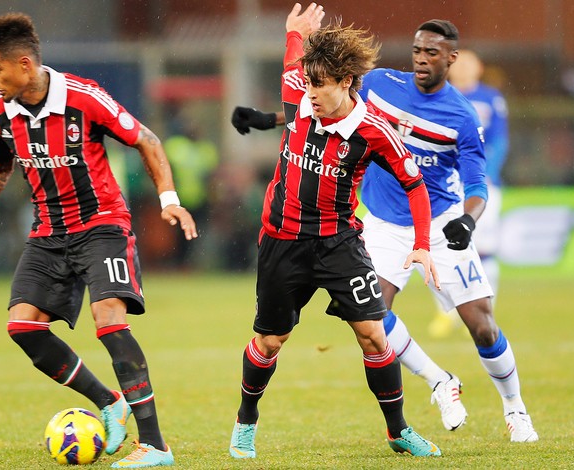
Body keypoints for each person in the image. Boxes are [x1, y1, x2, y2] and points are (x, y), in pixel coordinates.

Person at [231, 19, 538, 444]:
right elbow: (317, 108)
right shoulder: (378, 83)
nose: (421, 58)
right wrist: (267, 120)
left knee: (481, 324)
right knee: (376, 318)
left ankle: (515, 407)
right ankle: (438, 380)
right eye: (416, 50)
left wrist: (468, 220)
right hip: (382, 221)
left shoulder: (463, 117)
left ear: (451, 58)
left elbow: (476, 183)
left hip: (442, 220)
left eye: (432, 52)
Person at [0, 13, 198, 468]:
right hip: (48, 232)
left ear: (24, 64)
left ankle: (155, 446)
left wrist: (168, 197)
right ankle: (109, 402)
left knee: (108, 320)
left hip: (102, 224)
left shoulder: (83, 98)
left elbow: (146, 139)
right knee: (22, 327)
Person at [229, 2, 443, 461]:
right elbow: (293, 60)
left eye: (320, 85)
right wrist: (293, 32)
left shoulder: (373, 131)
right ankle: (246, 421)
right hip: (281, 240)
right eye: (307, 82)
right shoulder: (298, 93)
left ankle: (398, 430)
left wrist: (423, 245)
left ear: (346, 82)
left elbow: (414, 184)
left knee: (373, 334)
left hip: (338, 242)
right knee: (270, 341)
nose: (310, 93)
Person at [428, 48, 510, 338]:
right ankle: (446, 313)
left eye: (468, 63)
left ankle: (486, 309)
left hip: (482, 184)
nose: (462, 68)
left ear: (479, 67)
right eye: (457, 63)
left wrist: (485, 173)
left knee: (484, 249)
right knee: (440, 247)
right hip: (447, 185)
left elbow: (500, 141)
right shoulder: (439, 95)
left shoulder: (490, 98)